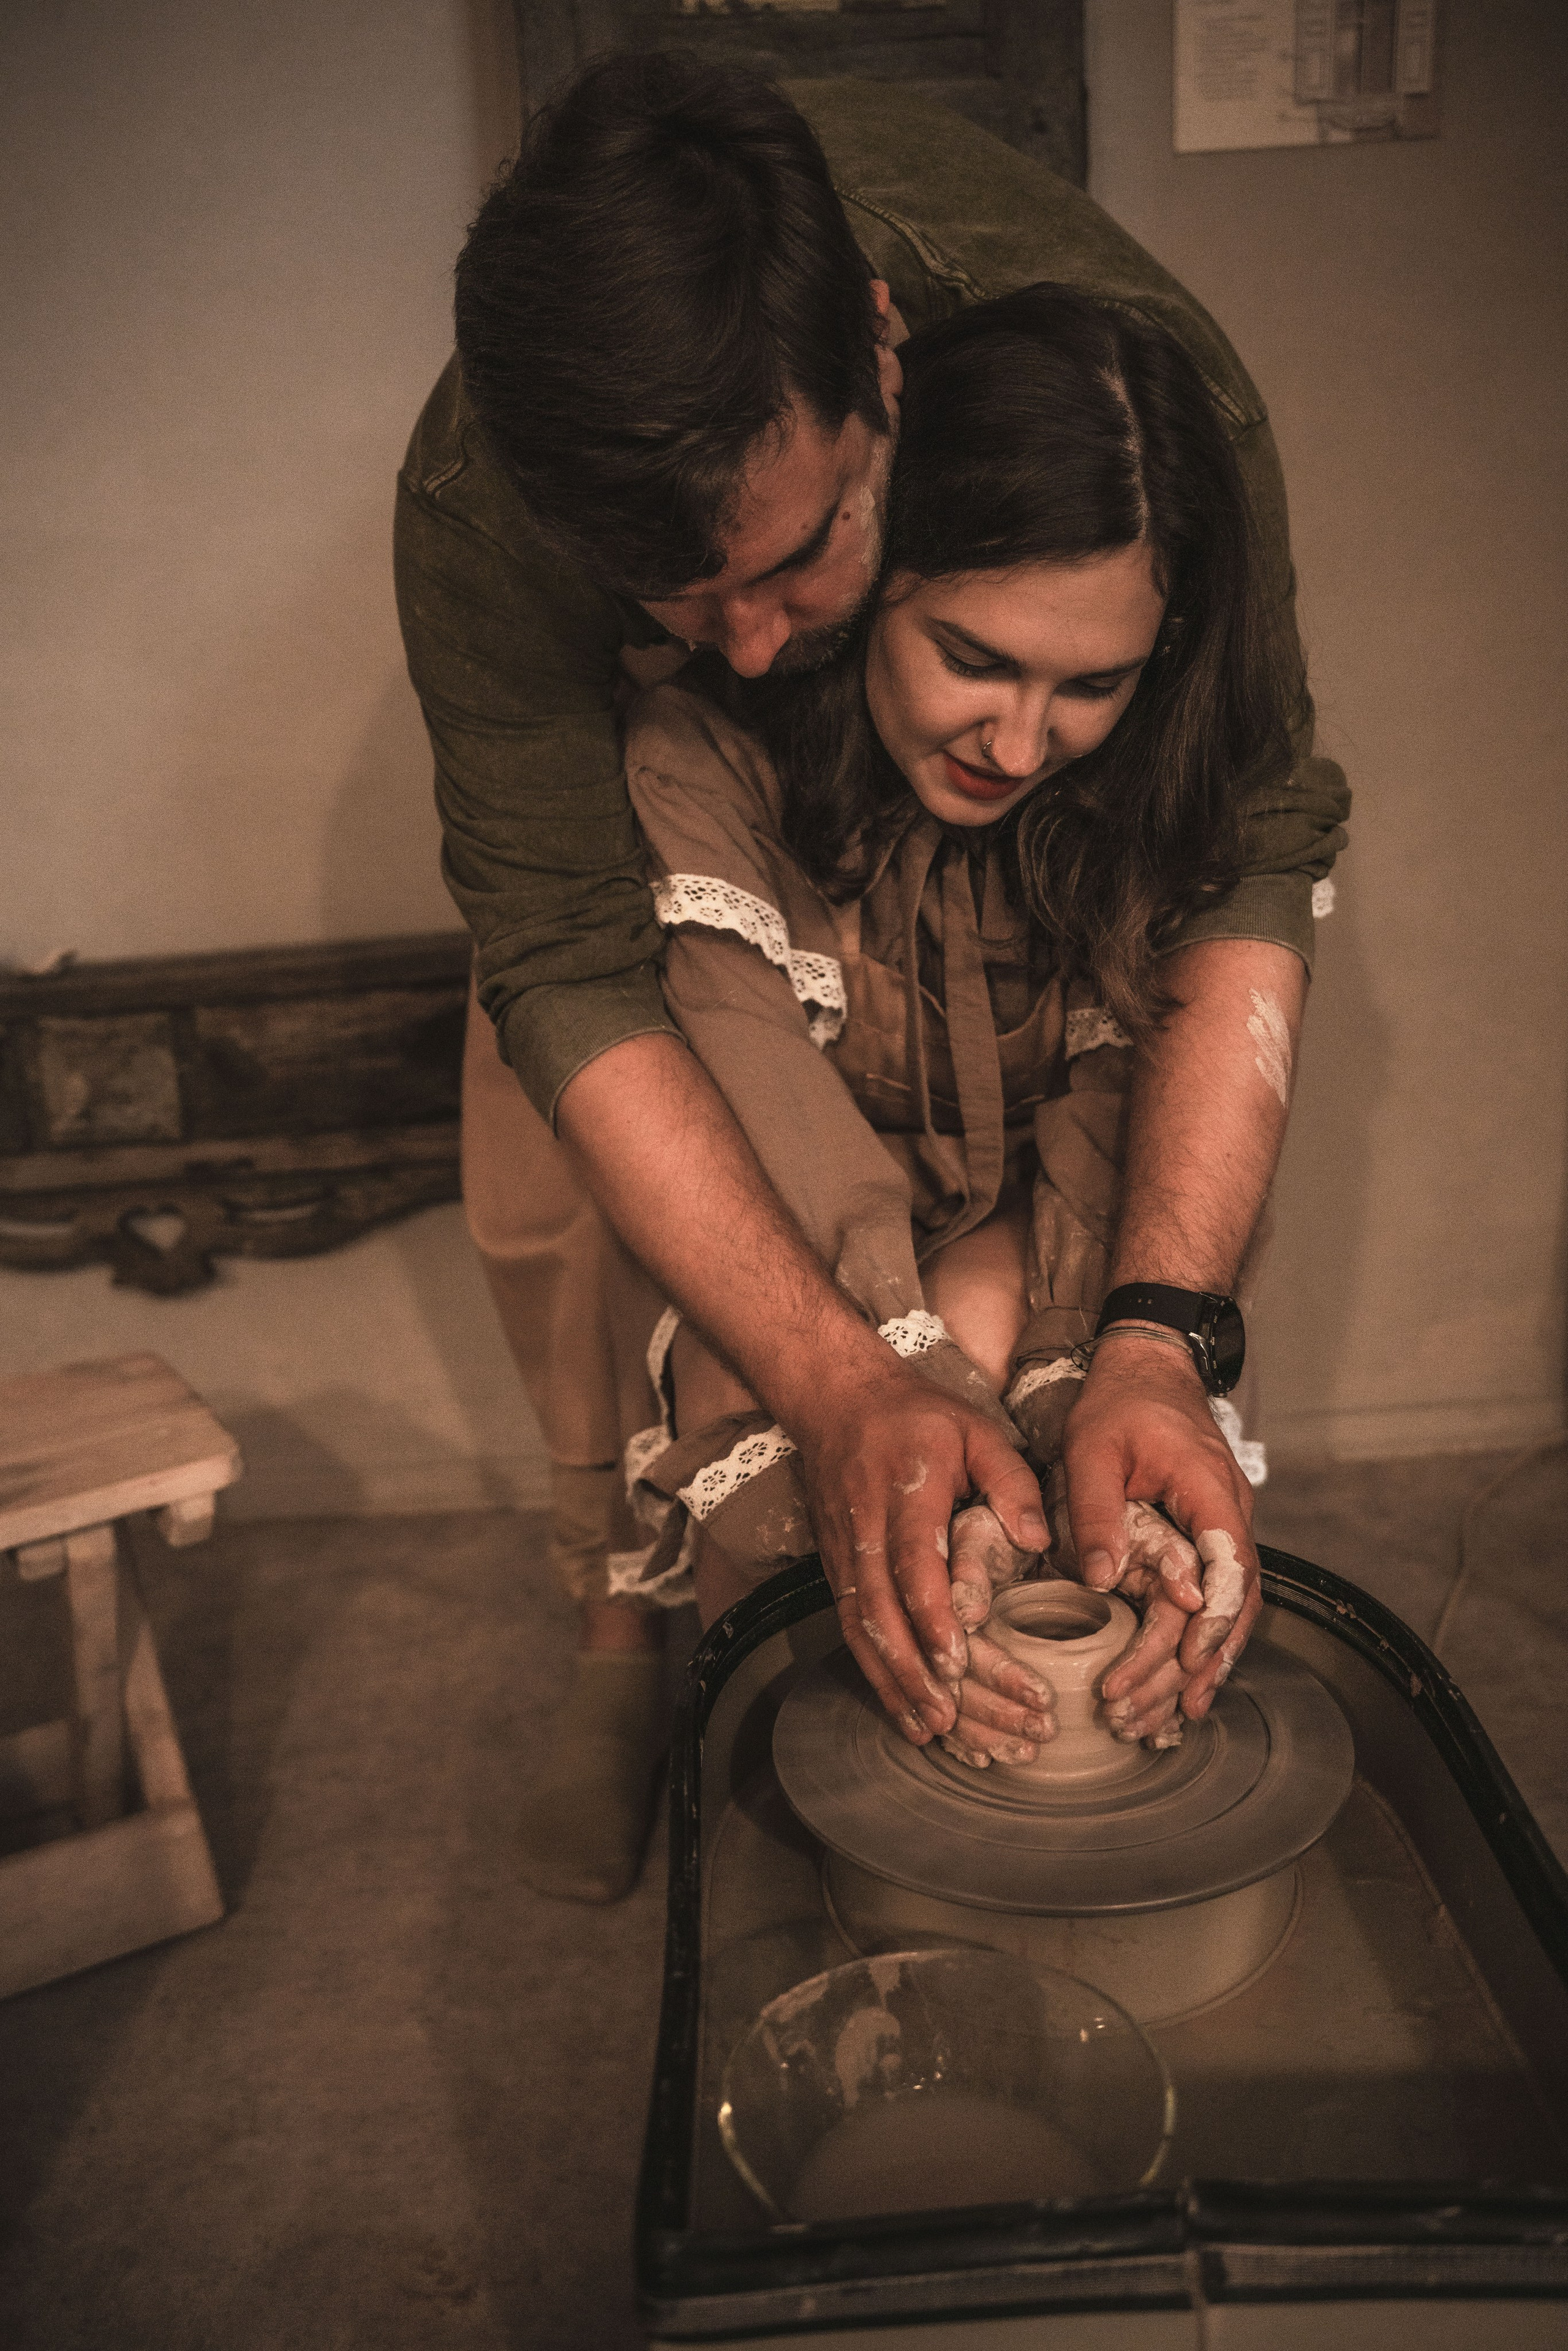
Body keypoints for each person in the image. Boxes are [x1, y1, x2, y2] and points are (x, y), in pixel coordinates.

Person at [395, 55, 1349, 1899]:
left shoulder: (1156, 405)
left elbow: (1249, 862)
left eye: (801, 553)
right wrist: (842, 1382)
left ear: (892, 372)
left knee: (1060, 1221)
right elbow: (567, 959)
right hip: (697, 863)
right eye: (677, 603)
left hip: (970, 913)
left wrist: (1153, 1334)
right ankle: (621, 1604)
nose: (748, 644)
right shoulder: (488, 506)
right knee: (576, 1160)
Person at [617, 284, 1316, 1764]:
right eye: (975, 657)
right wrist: (900, 1384)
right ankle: (662, 1674)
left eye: (1092, 684)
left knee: (1057, 1421)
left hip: (1006, 1187)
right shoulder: (700, 742)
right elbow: (746, 1089)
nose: (1016, 744)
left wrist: (1105, 1368)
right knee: (792, 1426)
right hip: (764, 1174)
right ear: (870, 570)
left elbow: (1122, 1104)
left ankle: (1011, 1723)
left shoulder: (1151, 769)